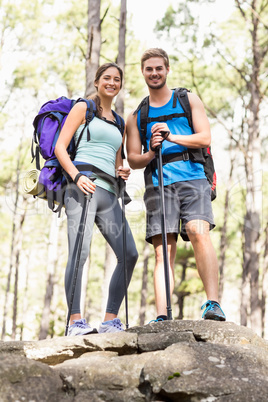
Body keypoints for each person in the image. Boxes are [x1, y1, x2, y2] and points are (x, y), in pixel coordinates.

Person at [126, 48, 226, 322]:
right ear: (143, 72)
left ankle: (213, 303)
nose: (154, 73)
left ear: (167, 70)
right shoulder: (138, 115)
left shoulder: (187, 99)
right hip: (158, 184)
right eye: (149, 69)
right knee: (163, 249)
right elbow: (134, 159)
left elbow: (205, 137)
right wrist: (151, 151)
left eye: (159, 68)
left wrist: (171, 138)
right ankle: (162, 315)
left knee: (198, 232)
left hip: (193, 177)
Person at [55, 62, 138, 336]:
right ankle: (74, 322)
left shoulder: (120, 122)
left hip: (109, 193)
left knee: (129, 253)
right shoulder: (83, 108)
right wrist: (77, 176)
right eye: (107, 78)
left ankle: (109, 321)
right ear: (97, 81)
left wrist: (122, 169)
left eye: (117, 79)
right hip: (82, 189)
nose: (111, 82)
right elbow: (60, 148)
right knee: (80, 252)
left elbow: (117, 161)